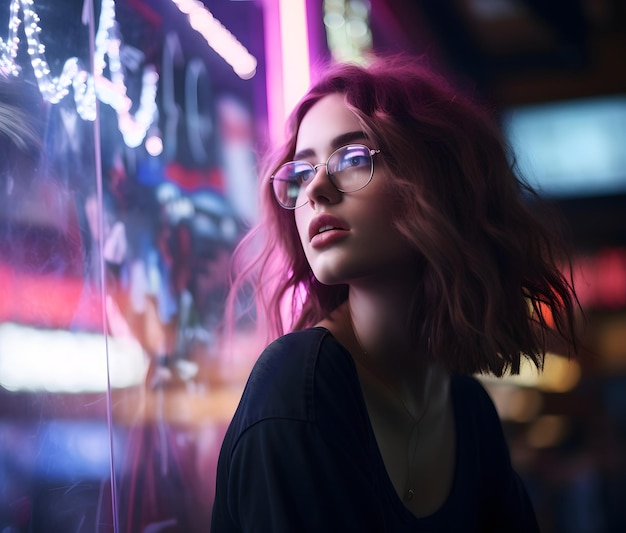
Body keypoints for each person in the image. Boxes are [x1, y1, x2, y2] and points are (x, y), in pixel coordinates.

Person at [210, 55, 579, 532]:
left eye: (353, 158)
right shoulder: (300, 381)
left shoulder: (468, 410)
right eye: (301, 172)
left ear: (436, 182)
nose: (316, 189)